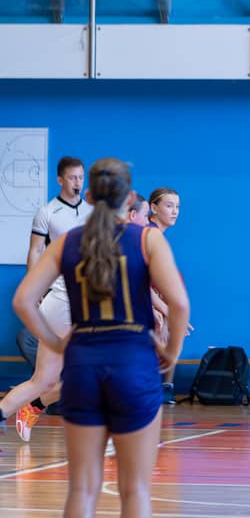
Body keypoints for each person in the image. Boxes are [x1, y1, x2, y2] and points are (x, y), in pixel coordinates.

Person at [12, 157, 190, 518]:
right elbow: (179, 303)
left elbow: (23, 301)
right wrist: (171, 351)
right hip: (133, 363)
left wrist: (56, 342)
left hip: (84, 365)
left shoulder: (68, 242)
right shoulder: (148, 239)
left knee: (81, 489)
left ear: (90, 196)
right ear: (132, 199)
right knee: (135, 491)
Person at [1, 156, 91, 441]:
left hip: (83, 303)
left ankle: (29, 407)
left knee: (66, 376)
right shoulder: (48, 212)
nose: (78, 182)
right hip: (63, 302)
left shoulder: (92, 212)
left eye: (81, 177)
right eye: (73, 177)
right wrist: (35, 287)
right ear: (60, 180)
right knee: (52, 378)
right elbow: (35, 251)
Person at [148, 187, 184, 404]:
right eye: (169, 206)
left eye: (177, 206)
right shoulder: (149, 234)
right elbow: (140, 281)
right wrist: (163, 310)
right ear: (153, 208)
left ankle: (163, 387)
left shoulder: (158, 237)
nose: (175, 211)